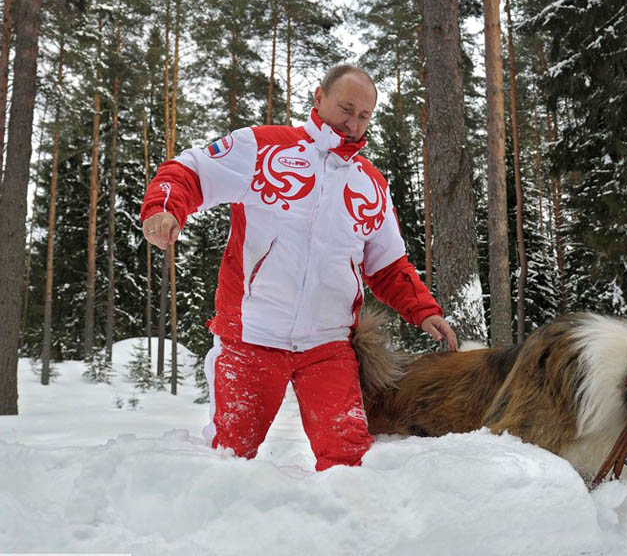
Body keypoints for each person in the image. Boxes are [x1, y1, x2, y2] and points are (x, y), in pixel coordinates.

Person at [141, 64, 457, 471]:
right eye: (345, 108)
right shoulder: (263, 148)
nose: (353, 123)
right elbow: (189, 171)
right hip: (251, 337)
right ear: (318, 97)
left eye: (364, 116)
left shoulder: (370, 183)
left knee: (349, 462)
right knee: (229, 459)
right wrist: (165, 209)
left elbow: (388, 265)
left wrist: (425, 311)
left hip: (327, 346)